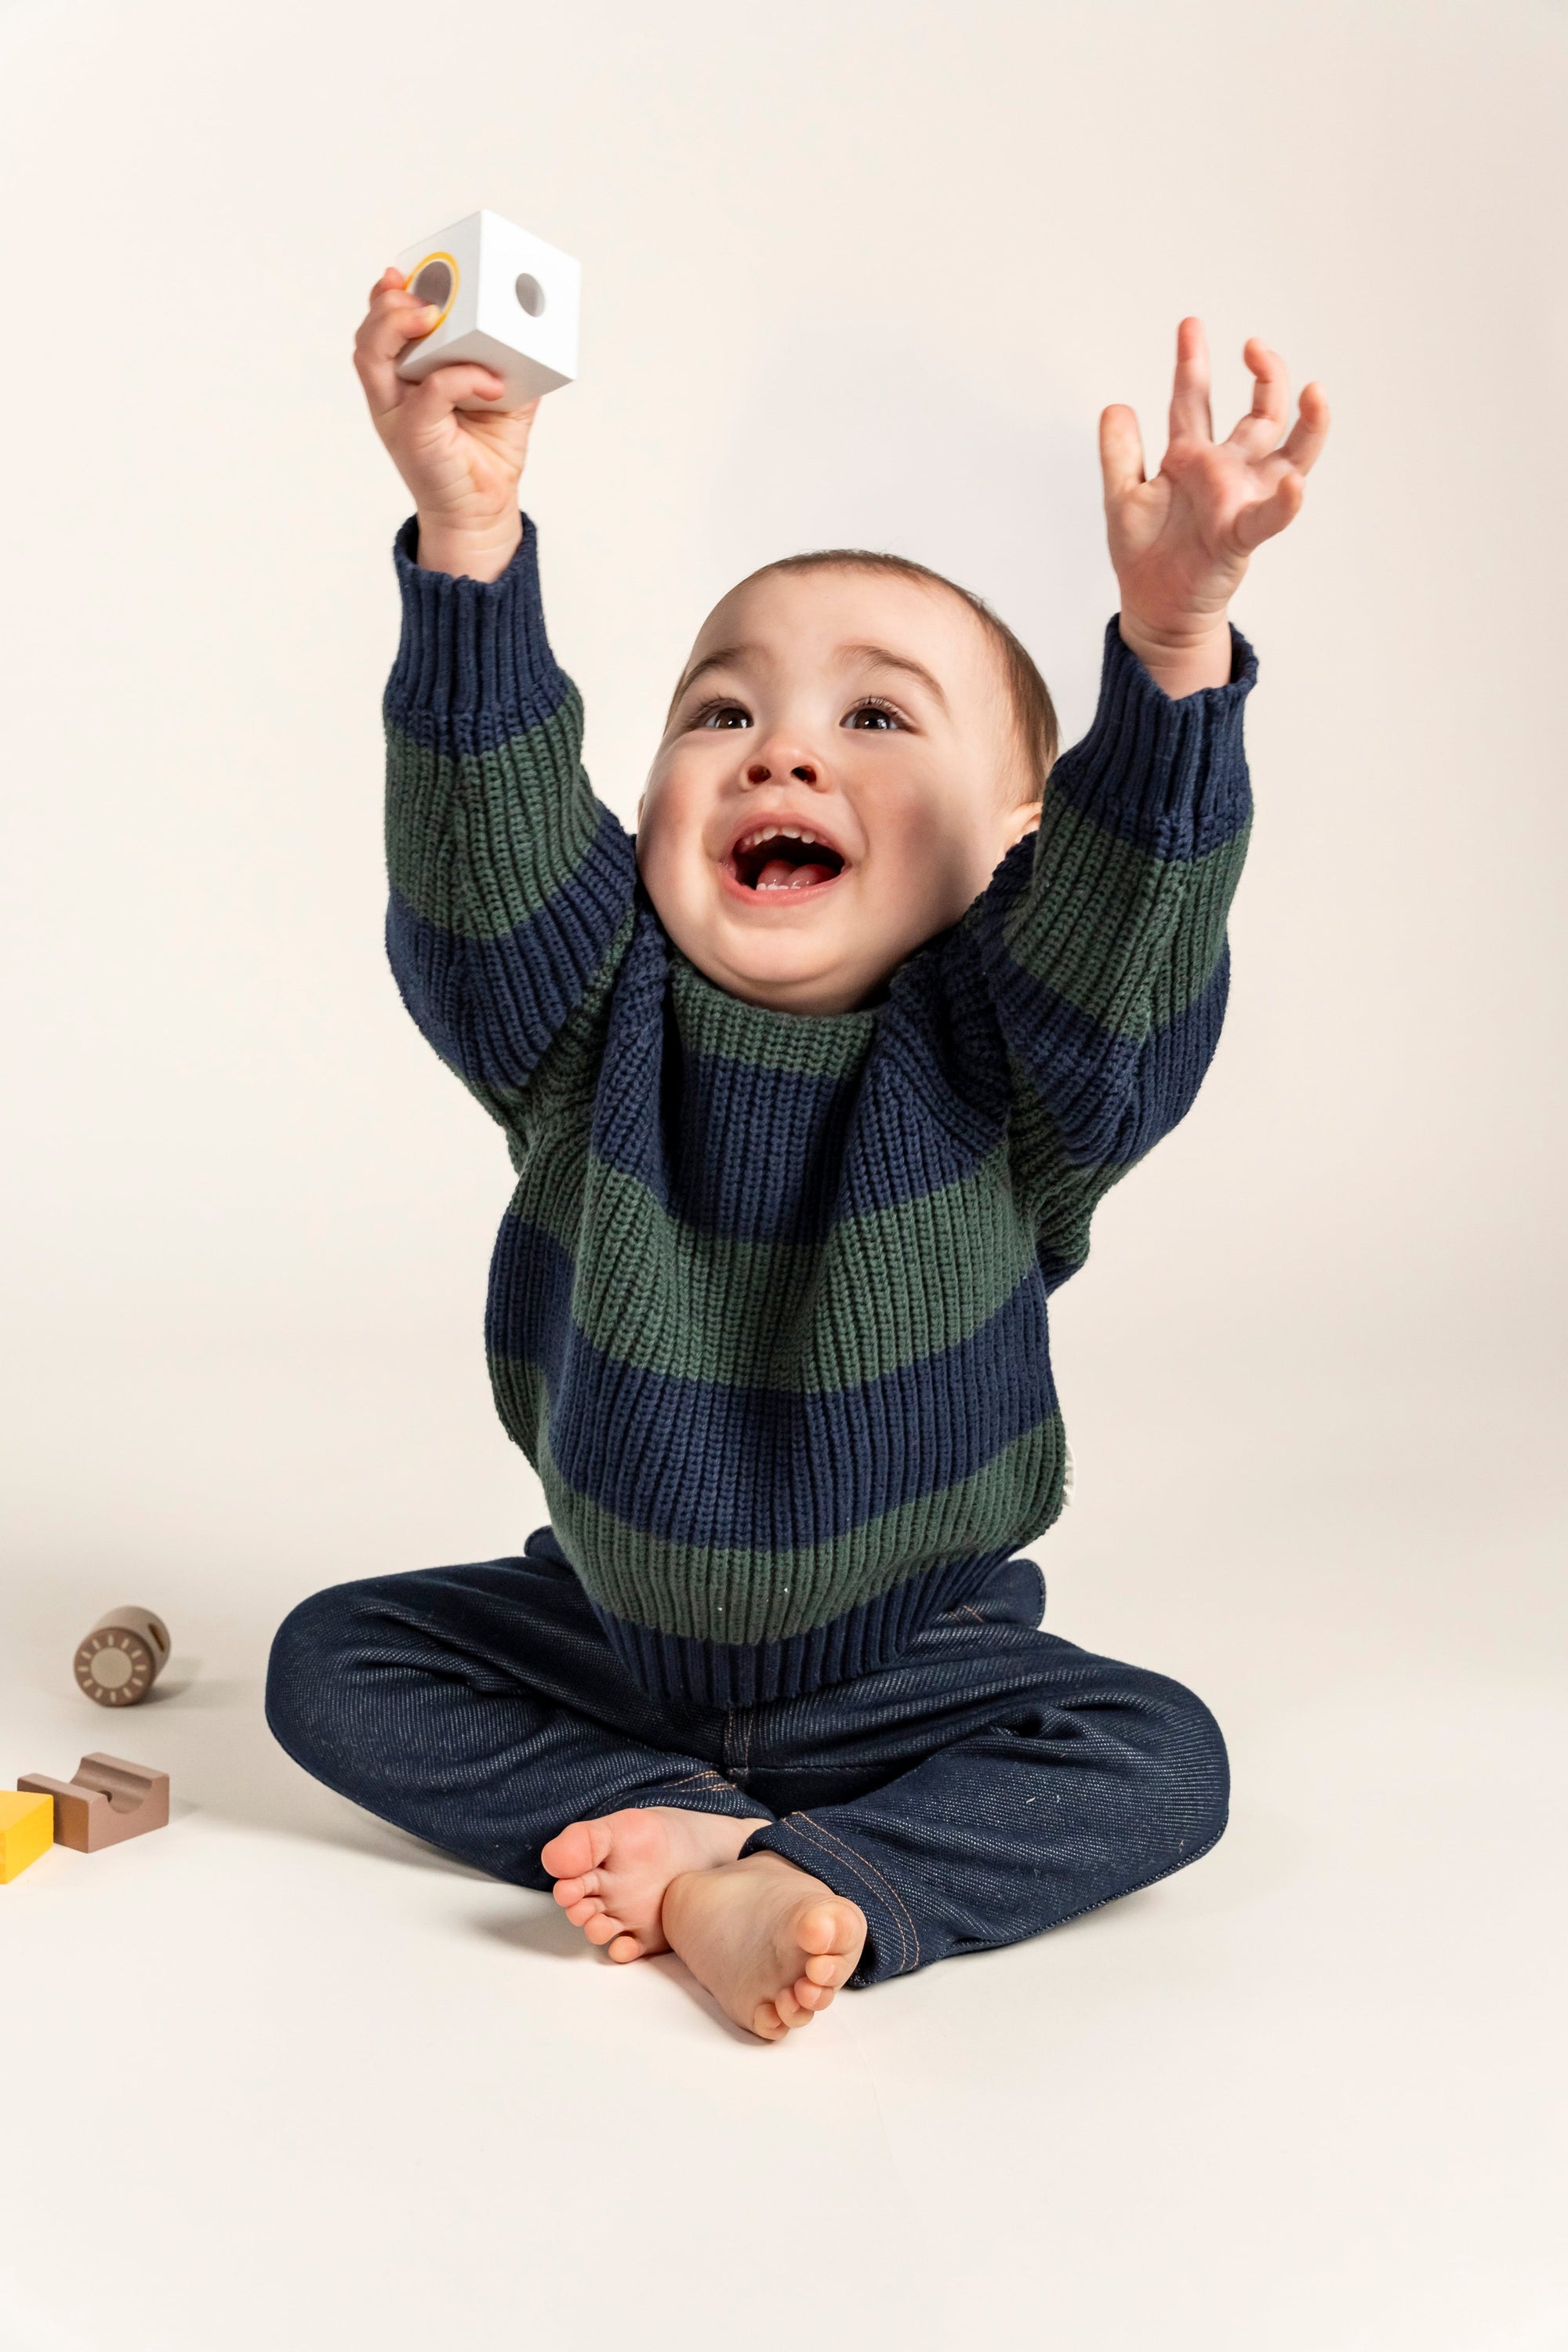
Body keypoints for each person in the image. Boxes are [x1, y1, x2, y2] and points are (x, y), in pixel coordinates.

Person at [265, 269, 1329, 2039]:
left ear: (1014, 847)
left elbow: (1130, 934)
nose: (781, 752)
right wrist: (469, 534)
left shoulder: (1015, 1066)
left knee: (1163, 1760)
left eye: (878, 718)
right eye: (719, 712)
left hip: (916, 1676)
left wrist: (1167, 649)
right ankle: (699, 1855)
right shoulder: (582, 1017)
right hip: (603, 1645)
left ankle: (830, 1875)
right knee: (331, 1664)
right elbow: (480, 854)